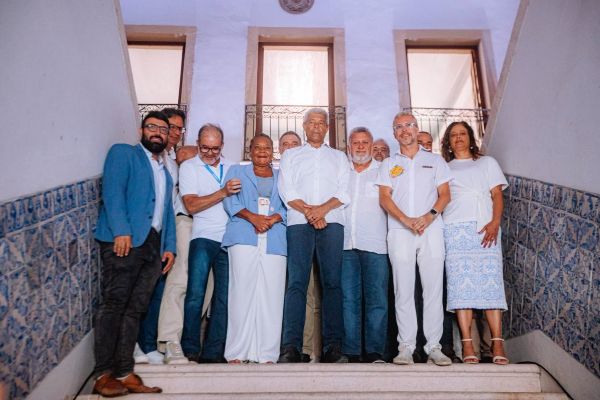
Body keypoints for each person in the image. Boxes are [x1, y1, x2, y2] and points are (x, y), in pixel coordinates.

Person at [92, 111, 176, 396]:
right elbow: (113, 192)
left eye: (163, 130)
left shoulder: (164, 170)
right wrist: (121, 230)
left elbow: (167, 212)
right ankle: (103, 374)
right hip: (125, 241)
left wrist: (169, 246)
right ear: (141, 130)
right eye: (152, 127)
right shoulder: (124, 153)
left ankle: (124, 371)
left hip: (153, 246)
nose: (158, 133)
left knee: (135, 309)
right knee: (114, 304)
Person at [377, 112, 452, 366]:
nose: (404, 130)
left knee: (433, 289)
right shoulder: (388, 164)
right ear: (394, 133)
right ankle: (406, 347)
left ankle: (433, 347)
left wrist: (428, 217)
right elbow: (384, 198)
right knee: (403, 290)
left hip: (431, 230)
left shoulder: (435, 160)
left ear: (417, 129)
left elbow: (445, 195)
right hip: (400, 232)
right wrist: (405, 220)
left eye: (409, 125)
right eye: (399, 127)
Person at [278, 107, 350, 363]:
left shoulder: (339, 157)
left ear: (327, 128)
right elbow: (287, 190)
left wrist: (321, 211)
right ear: (304, 126)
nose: (317, 126)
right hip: (299, 224)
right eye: (312, 122)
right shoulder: (291, 155)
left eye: (321, 123)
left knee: (332, 284)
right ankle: (291, 347)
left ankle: (333, 348)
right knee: (296, 283)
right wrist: (311, 212)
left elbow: (344, 191)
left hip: (332, 223)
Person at [440, 121, 509, 365]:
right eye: (453, 135)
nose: (458, 138)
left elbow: (496, 195)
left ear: (470, 138)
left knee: (491, 284)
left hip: (485, 228)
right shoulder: (444, 168)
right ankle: (468, 344)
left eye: (463, 133)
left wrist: (495, 222)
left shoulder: (487, 163)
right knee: (461, 287)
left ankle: (497, 343)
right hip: (455, 229)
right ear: (448, 142)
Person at [222, 134, 288, 363]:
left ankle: (267, 354)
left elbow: (291, 204)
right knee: (241, 292)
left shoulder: (282, 176)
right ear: (249, 150)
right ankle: (237, 353)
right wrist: (253, 217)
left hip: (275, 236)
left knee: (272, 294)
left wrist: (274, 218)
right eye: (257, 147)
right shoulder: (236, 171)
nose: (262, 151)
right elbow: (229, 200)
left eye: (267, 147)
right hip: (243, 233)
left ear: (273, 151)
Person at [134, 108, 191, 365]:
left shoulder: (171, 160)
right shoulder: (144, 157)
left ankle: (148, 344)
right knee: (137, 289)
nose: (175, 133)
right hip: (142, 231)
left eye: (178, 129)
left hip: (164, 229)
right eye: (171, 127)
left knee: (158, 287)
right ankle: (133, 344)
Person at [179, 123, 239, 362]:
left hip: (229, 239)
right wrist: (222, 192)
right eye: (205, 148)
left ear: (222, 145)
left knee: (225, 297)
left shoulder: (233, 167)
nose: (210, 153)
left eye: (215, 148)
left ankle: (214, 352)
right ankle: (190, 348)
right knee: (196, 293)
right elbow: (191, 205)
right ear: (197, 144)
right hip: (203, 237)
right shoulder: (189, 167)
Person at [341, 127, 389, 363]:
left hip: (377, 244)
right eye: (356, 143)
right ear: (349, 146)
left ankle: (374, 351)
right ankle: (351, 352)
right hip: (345, 244)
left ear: (371, 146)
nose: (360, 147)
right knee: (348, 299)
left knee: (377, 299)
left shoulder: (384, 171)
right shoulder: (341, 172)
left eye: (365, 143)